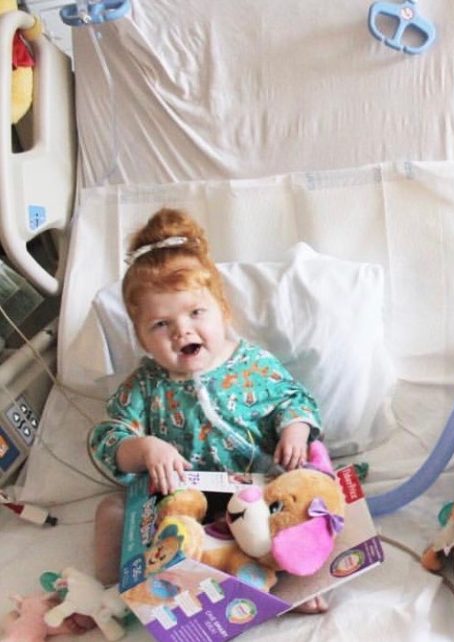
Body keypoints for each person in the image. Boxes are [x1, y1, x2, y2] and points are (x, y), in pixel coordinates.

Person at [89, 208, 328, 612]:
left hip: (253, 495)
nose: (181, 330)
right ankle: (113, 594)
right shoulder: (145, 386)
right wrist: (145, 448)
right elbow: (106, 437)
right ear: (143, 339)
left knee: (293, 513)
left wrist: (295, 430)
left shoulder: (253, 364)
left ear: (223, 311)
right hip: (178, 504)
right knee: (111, 511)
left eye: (196, 313)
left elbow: (295, 399)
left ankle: (294, 584)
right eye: (160, 325)